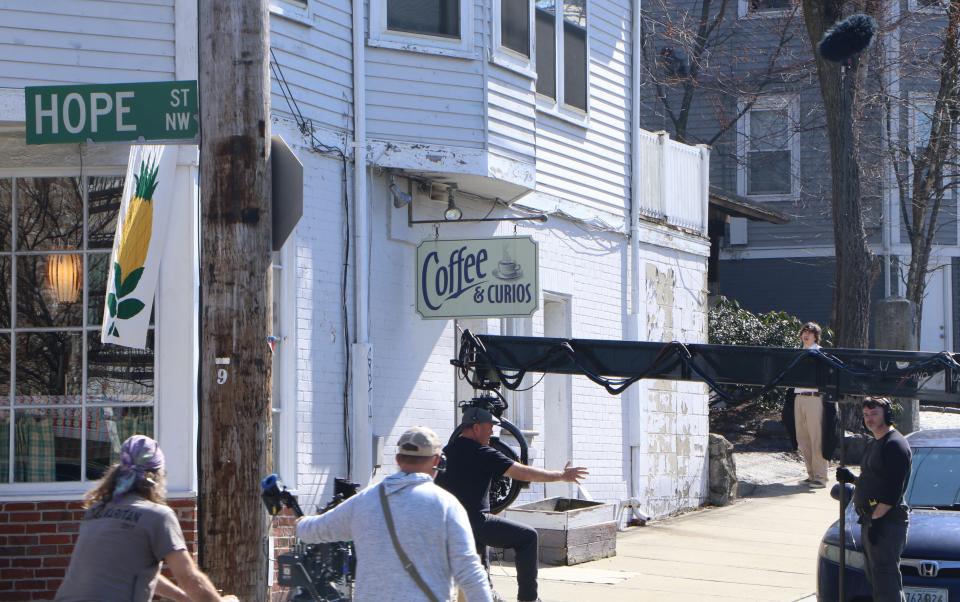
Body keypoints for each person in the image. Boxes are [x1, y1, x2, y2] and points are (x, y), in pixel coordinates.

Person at [297, 426, 492, 602]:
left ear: (398, 460)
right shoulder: (446, 505)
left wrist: (295, 518)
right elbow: (469, 571)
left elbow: (312, 531)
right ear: (437, 460)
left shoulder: (364, 500)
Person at [55, 435, 237, 602]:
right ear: (157, 476)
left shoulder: (96, 511)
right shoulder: (157, 516)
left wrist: (181, 597)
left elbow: (130, 570)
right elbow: (189, 578)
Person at [435, 407, 589, 602]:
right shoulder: (484, 453)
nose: (492, 432)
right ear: (475, 427)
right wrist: (561, 476)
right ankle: (528, 599)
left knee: (480, 546)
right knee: (527, 536)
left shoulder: (445, 452)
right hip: (475, 522)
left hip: (448, 525)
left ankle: (487, 592)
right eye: (489, 427)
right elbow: (523, 473)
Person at [837, 397, 912, 602]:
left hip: (886, 520)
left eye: (875, 414)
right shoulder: (875, 442)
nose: (869, 419)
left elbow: (892, 490)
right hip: (872, 518)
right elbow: (875, 480)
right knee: (877, 580)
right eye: (866, 415)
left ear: (887, 415)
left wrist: (877, 520)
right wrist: (852, 479)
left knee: (886, 581)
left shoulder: (895, 444)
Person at [785, 321, 838, 488]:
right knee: (803, 438)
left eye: (810, 332)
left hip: (815, 398)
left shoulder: (820, 353)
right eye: (804, 331)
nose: (806, 334)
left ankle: (821, 477)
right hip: (799, 397)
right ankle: (811, 475)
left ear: (816, 336)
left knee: (817, 438)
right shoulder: (798, 354)